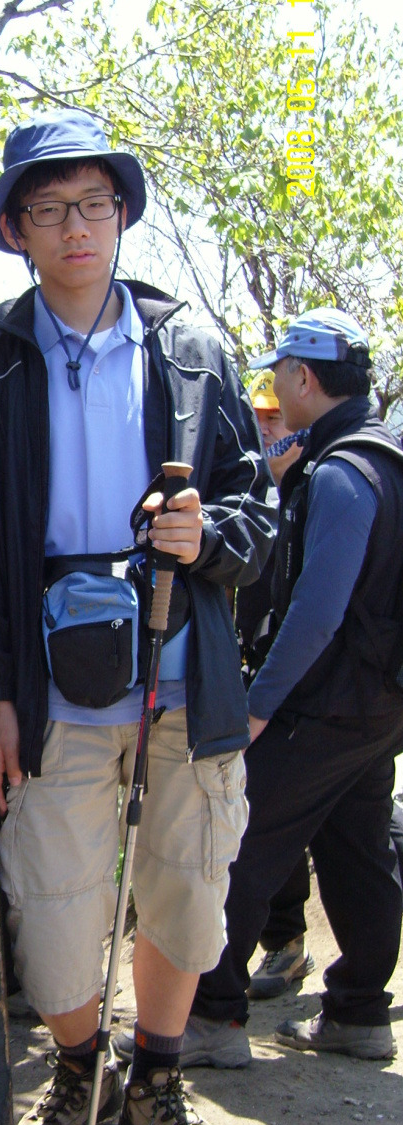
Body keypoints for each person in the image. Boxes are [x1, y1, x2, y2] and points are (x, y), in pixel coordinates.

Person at [0, 108, 273, 1125]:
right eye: (46, 209)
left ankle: (154, 1081)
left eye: (92, 203)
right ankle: (74, 1069)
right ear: (14, 231)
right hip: (50, 685)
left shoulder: (190, 346)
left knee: (188, 881)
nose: (73, 227)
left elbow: (254, 513)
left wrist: (209, 539)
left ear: (123, 213)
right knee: (51, 893)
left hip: (185, 665)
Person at [189, 308, 403, 1062]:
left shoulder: (343, 473)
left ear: (305, 377)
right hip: (378, 705)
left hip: (325, 702)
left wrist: (257, 708)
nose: (276, 386)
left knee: (239, 842)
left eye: (281, 373)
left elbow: (316, 615)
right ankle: (357, 1014)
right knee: (357, 850)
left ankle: (212, 1017)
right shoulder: (387, 456)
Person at [236, 371, 315, 1001]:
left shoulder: (325, 490)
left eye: (275, 417)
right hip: (252, 682)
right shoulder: (246, 492)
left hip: (312, 695)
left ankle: (286, 945)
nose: (266, 428)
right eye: (257, 417)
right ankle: (285, 946)